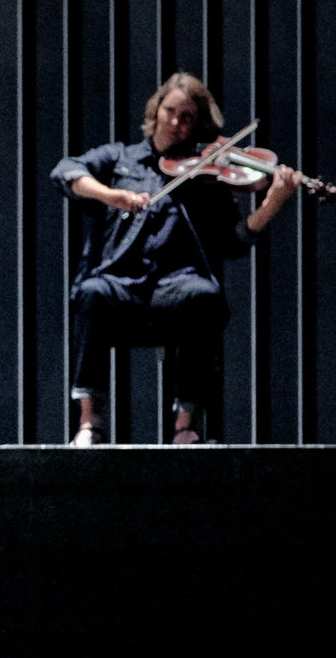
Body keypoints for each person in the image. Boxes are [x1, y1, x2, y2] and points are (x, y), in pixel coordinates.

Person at [49, 72, 302, 446]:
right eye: (170, 111)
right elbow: (65, 171)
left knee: (203, 295)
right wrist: (111, 196)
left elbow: (233, 241)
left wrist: (272, 204)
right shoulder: (119, 158)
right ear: (155, 111)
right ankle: (90, 424)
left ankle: (185, 426)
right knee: (91, 292)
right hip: (121, 284)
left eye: (187, 117)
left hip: (175, 288)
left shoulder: (205, 175)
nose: (176, 123)